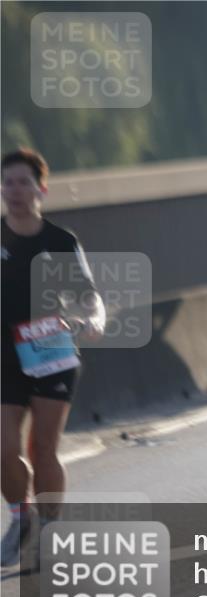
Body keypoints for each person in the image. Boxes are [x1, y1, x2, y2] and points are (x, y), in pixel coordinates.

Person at [1, 148, 106, 570]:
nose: (15, 190)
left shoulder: (60, 241)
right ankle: (20, 518)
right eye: (8, 182)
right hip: (3, 354)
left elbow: (89, 296)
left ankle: (50, 527)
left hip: (50, 348)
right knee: (4, 449)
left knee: (42, 447)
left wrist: (93, 319)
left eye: (24, 182)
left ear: (41, 188)